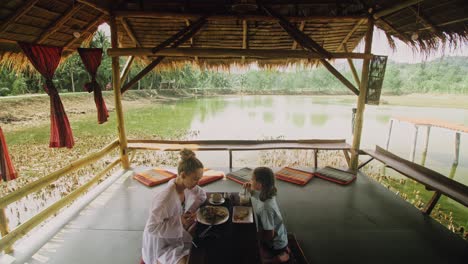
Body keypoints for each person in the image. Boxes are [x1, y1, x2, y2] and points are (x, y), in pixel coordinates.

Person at [141, 149, 206, 264]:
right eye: (195, 179)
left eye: (199, 179)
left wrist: (189, 212)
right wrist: (179, 221)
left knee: (201, 250)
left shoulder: (187, 186)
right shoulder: (164, 199)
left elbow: (201, 195)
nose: (198, 183)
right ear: (183, 175)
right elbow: (152, 228)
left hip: (175, 235)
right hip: (160, 243)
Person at [243, 167, 290, 263]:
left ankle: (279, 256)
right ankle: (283, 250)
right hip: (280, 234)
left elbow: (269, 234)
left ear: (260, 185)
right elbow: (259, 196)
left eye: (252, 179)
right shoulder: (268, 194)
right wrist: (250, 190)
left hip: (275, 243)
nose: (250, 181)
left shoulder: (265, 208)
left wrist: (256, 239)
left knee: (252, 253)